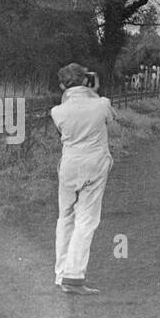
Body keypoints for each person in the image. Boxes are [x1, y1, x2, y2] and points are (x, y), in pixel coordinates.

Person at [50, 63, 116, 295]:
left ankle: (61, 274)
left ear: (62, 85)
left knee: (65, 217)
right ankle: (74, 276)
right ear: (86, 80)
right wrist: (94, 92)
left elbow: (66, 123)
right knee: (86, 219)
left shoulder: (57, 111)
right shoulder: (102, 103)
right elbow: (109, 120)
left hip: (69, 165)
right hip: (95, 164)